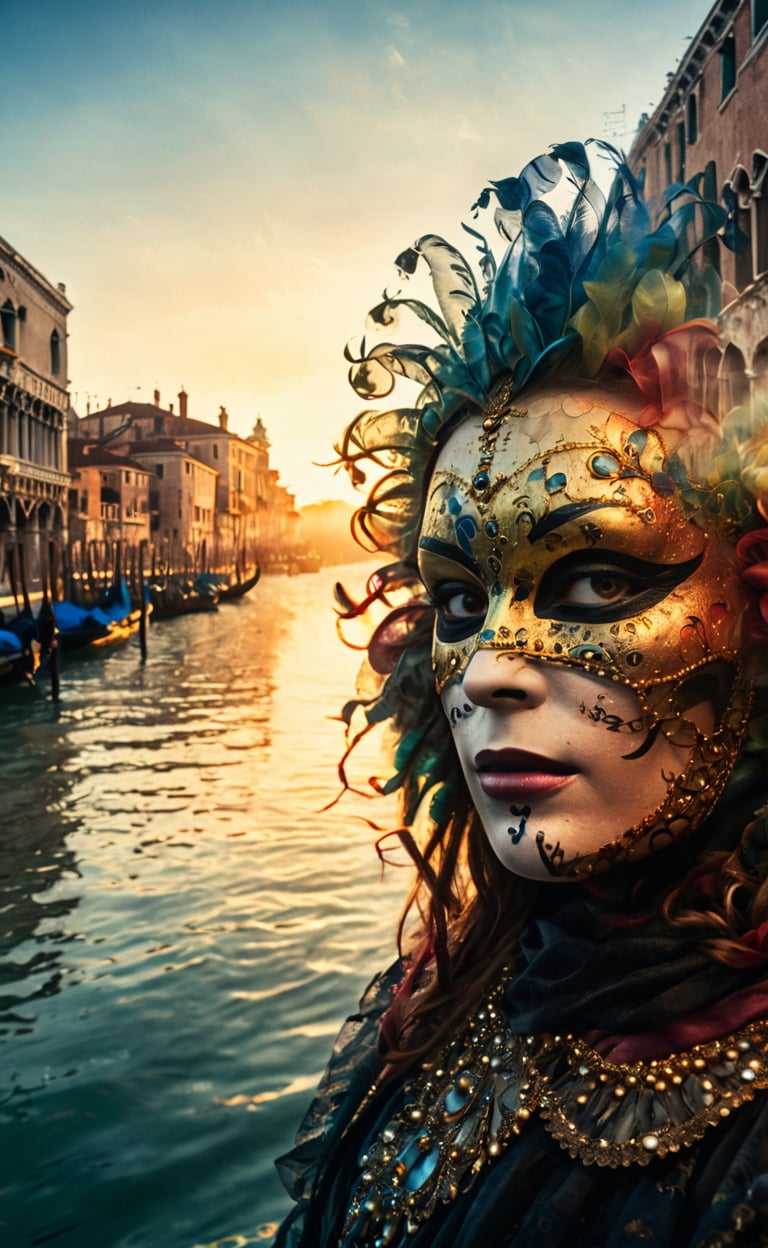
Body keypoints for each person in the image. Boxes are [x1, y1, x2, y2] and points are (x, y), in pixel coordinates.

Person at [273, 141, 768, 1247]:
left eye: (597, 578)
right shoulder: (453, 988)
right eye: (458, 604)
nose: (489, 670)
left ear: (755, 606)